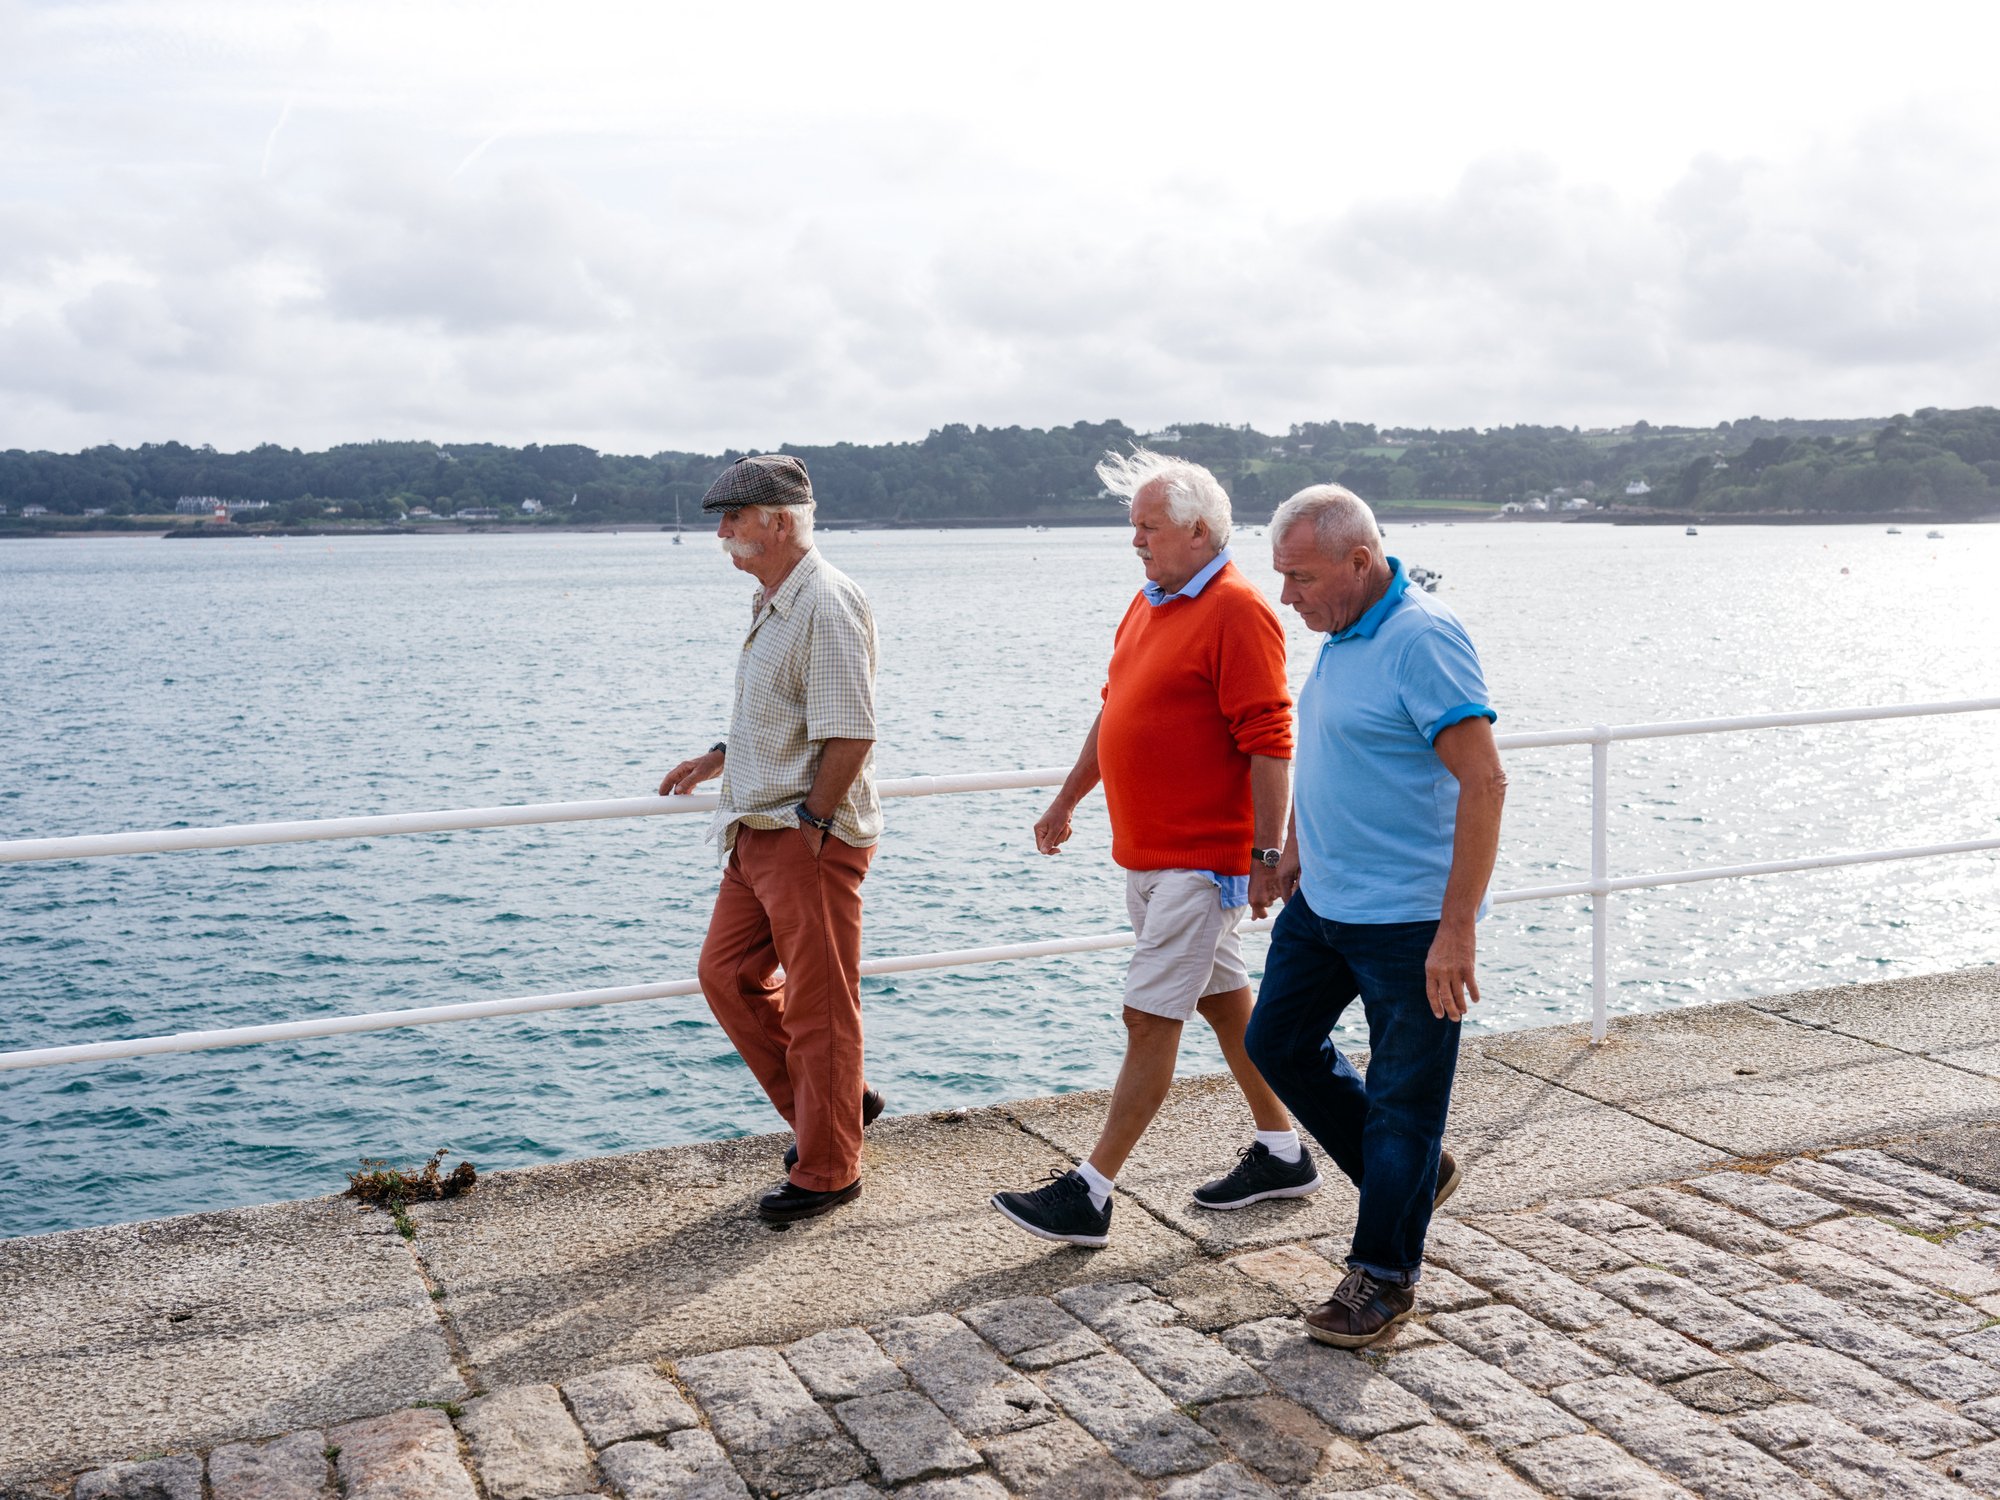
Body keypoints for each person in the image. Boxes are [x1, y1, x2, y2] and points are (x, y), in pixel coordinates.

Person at [990, 450, 1303, 1248]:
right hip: (1150, 855)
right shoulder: (1150, 602)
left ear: (1199, 531)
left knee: (1148, 1012)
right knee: (1224, 1003)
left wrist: (1268, 857)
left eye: (1148, 527)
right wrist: (1066, 799)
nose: (1135, 540)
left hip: (1205, 860)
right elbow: (1115, 711)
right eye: (1133, 526)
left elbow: (1271, 741)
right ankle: (1282, 1149)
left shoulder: (1239, 609)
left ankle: (1089, 1192)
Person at [1246, 483, 1506, 1346]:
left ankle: (1384, 1278)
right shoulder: (1344, 630)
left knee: (1403, 1099)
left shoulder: (1421, 638)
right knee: (1275, 1042)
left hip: (1407, 922)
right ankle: (1412, 1180)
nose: (1289, 597)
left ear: (1359, 562)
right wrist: (1291, 852)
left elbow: (1484, 781)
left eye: (1301, 578)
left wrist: (1456, 926)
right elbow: (1334, 753)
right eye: (1283, 577)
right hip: (1323, 904)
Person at [657, 454, 885, 1224]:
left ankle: (829, 1167)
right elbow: (785, 712)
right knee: (725, 976)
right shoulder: (775, 598)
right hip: (753, 831)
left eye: (734, 518)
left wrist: (813, 827)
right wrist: (719, 755)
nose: (721, 532)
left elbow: (850, 734)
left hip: (801, 834)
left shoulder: (825, 602)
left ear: (779, 522)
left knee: (821, 1011)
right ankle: (839, 1105)